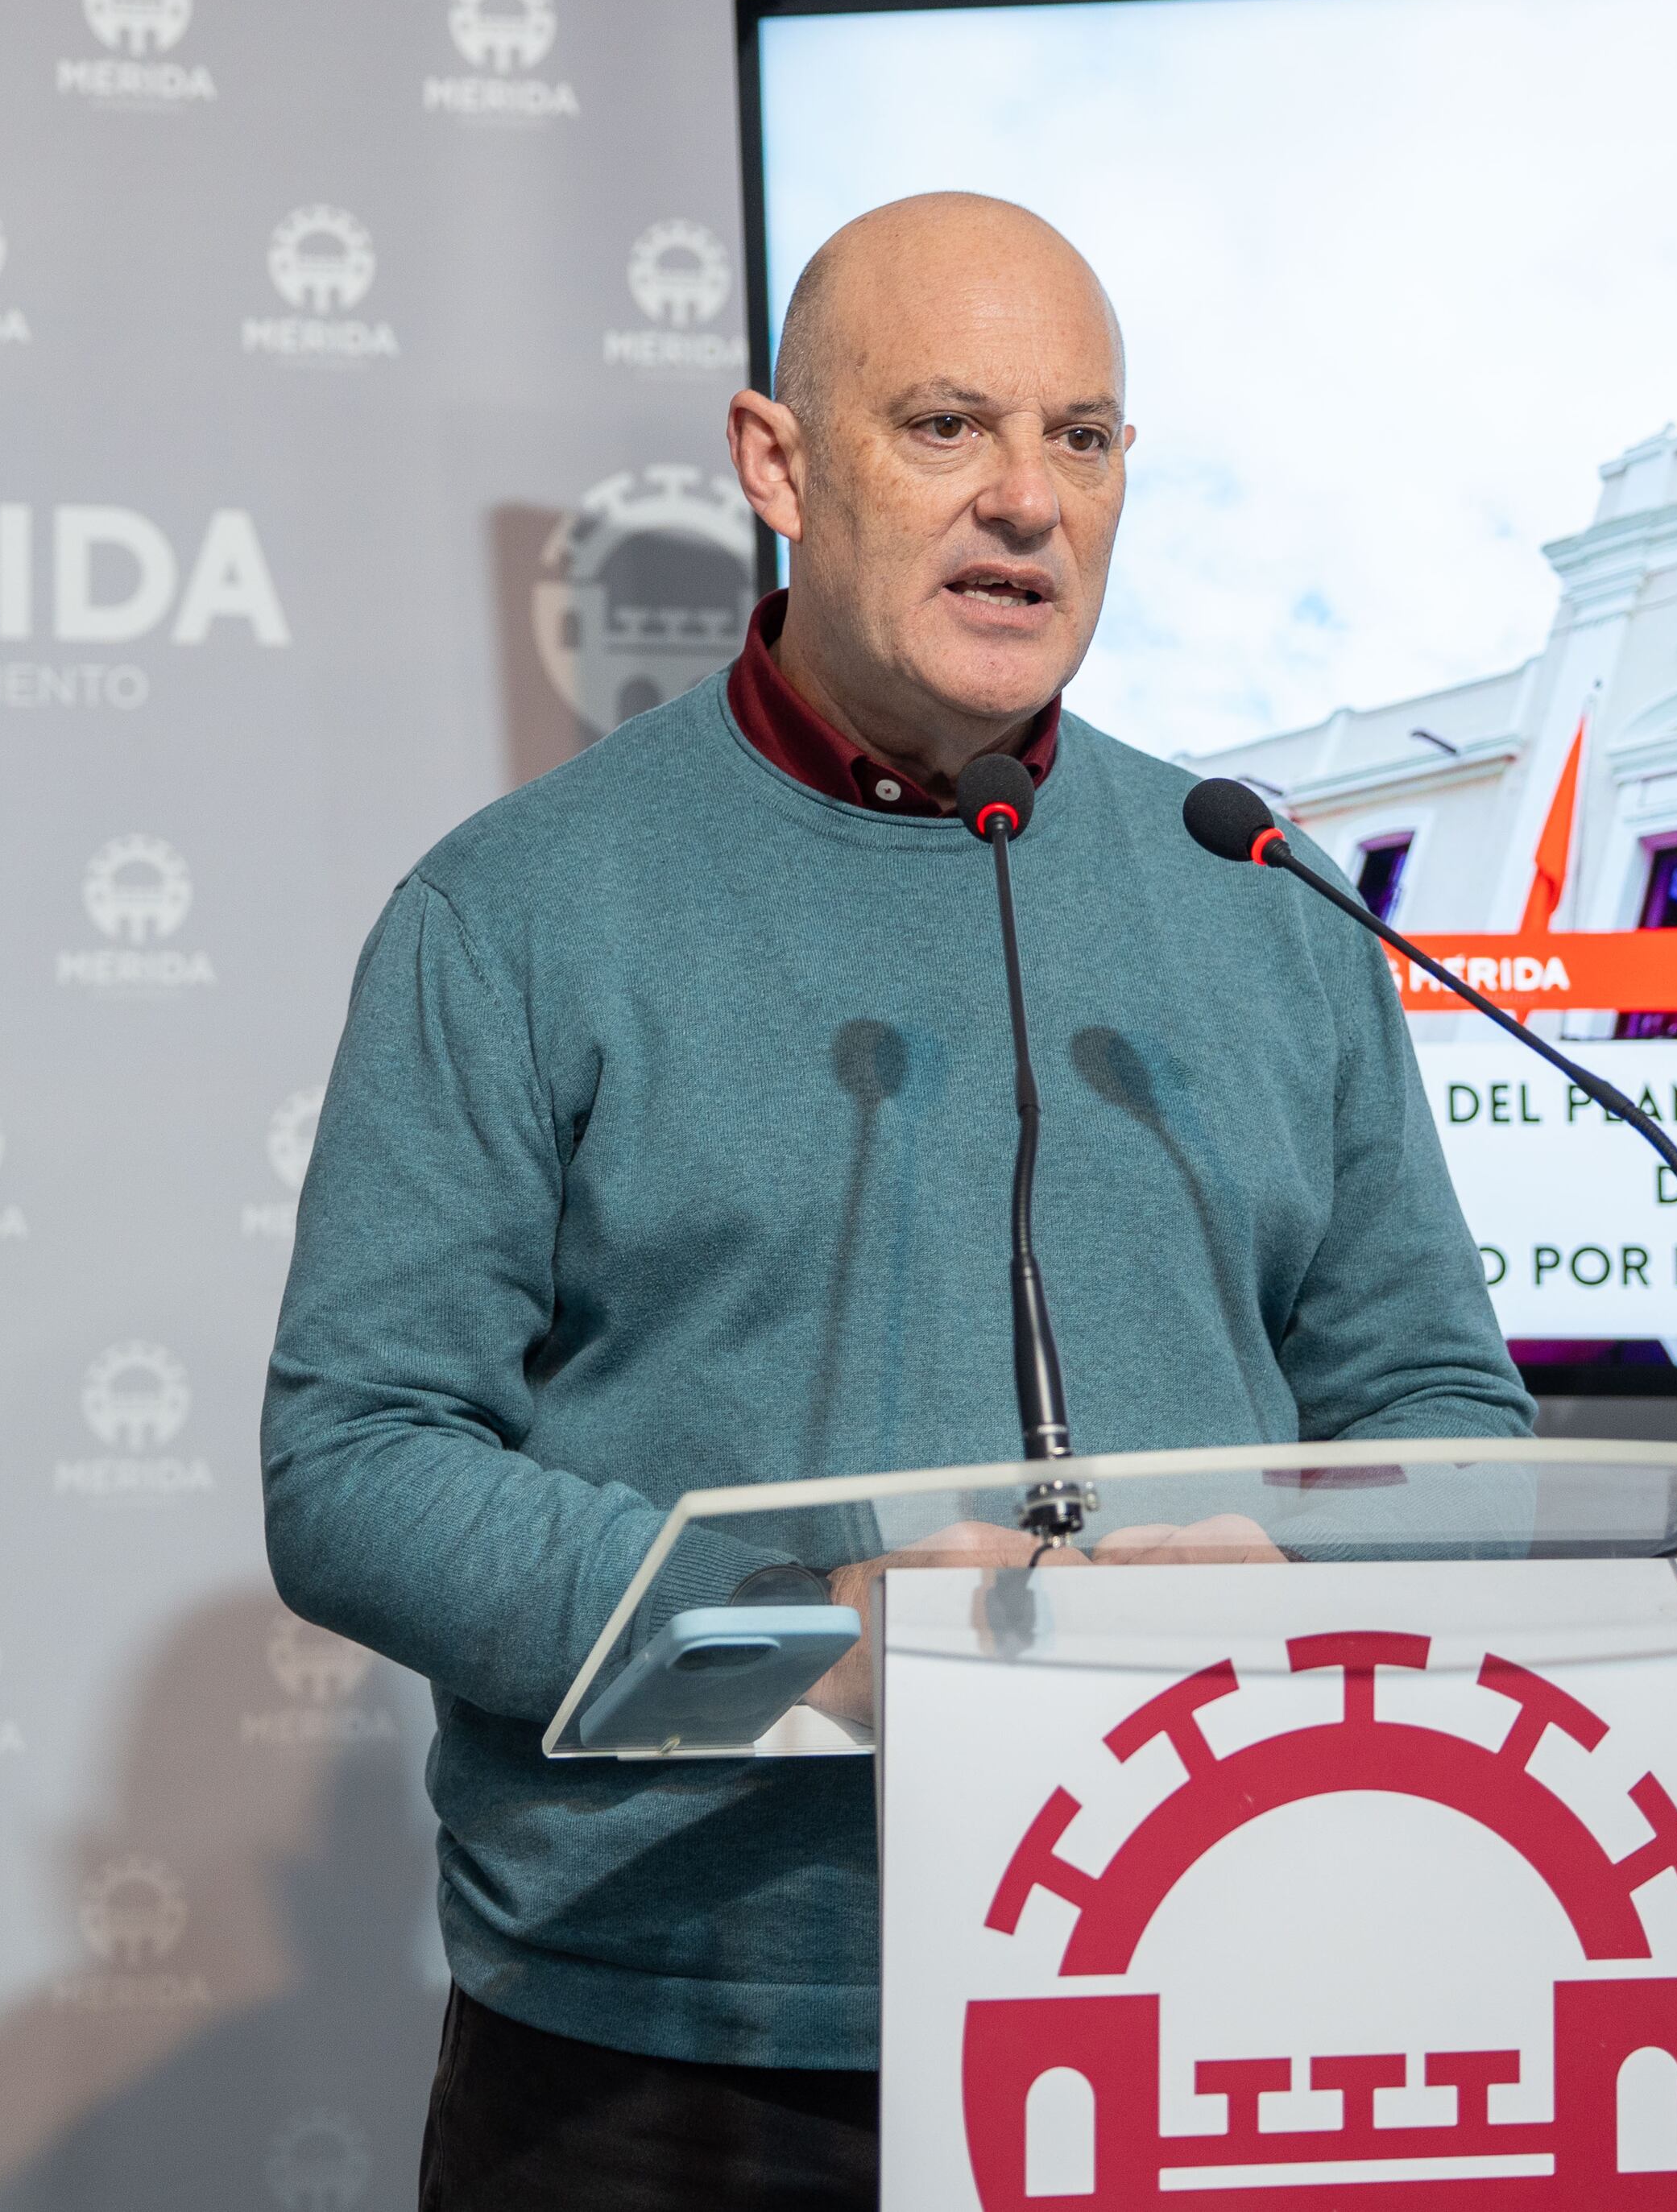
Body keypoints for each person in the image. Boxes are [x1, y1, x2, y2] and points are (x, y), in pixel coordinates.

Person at [262, 192, 1534, 2210]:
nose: (1026, 500)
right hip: (678, 2046)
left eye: (1083, 438)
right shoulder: (513, 907)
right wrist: (807, 1635)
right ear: (775, 461)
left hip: (1202, 1983)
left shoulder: (1261, 895)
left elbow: (1447, 1419)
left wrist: (1294, 1595)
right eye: (946, 426)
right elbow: (358, 1465)